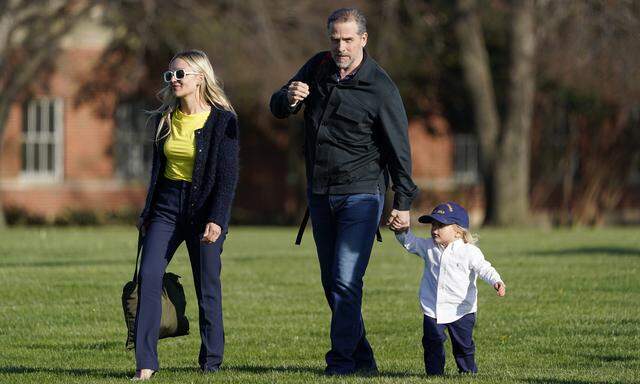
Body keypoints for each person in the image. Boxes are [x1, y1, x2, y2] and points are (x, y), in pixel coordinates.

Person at [270, 7, 418, 376]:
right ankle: (363, 361)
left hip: (362, 194)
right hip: (320, 193)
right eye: (335, 39)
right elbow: (277, 106)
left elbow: (400, 149)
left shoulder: (380, 86)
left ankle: (340, 364)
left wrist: (403, 202)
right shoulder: (317, 67)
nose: (341, 46)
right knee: (333, 284)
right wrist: (289, 97)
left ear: (363, 39)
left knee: (345, 279)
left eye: (348, 39)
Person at [132, 49, 239, 380]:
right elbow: (158, 171)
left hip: (204, 209)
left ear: (200, 78)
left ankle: (211, 362)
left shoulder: (223, 120)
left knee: (207, 286)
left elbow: (227, 176)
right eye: (170, 75)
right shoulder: (165, 117)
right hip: (166, 206)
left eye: (180, 74)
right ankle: (146, 364)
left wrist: (217, 219)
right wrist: (148, 211)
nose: (173, 80)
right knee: (149, 277)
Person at [392, 202, 506, 375]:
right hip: (433, 308)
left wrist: (496, 281)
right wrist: (401, 231)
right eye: (433, 225)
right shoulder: (429, 246)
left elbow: (484, 268)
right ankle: (434, 374)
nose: (434, 230)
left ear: (458, 231)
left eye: (440, 225)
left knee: (463, 346)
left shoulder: (469, 252)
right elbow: (410, 242)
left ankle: (467, 372)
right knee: (432, 342)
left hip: (461, 309)